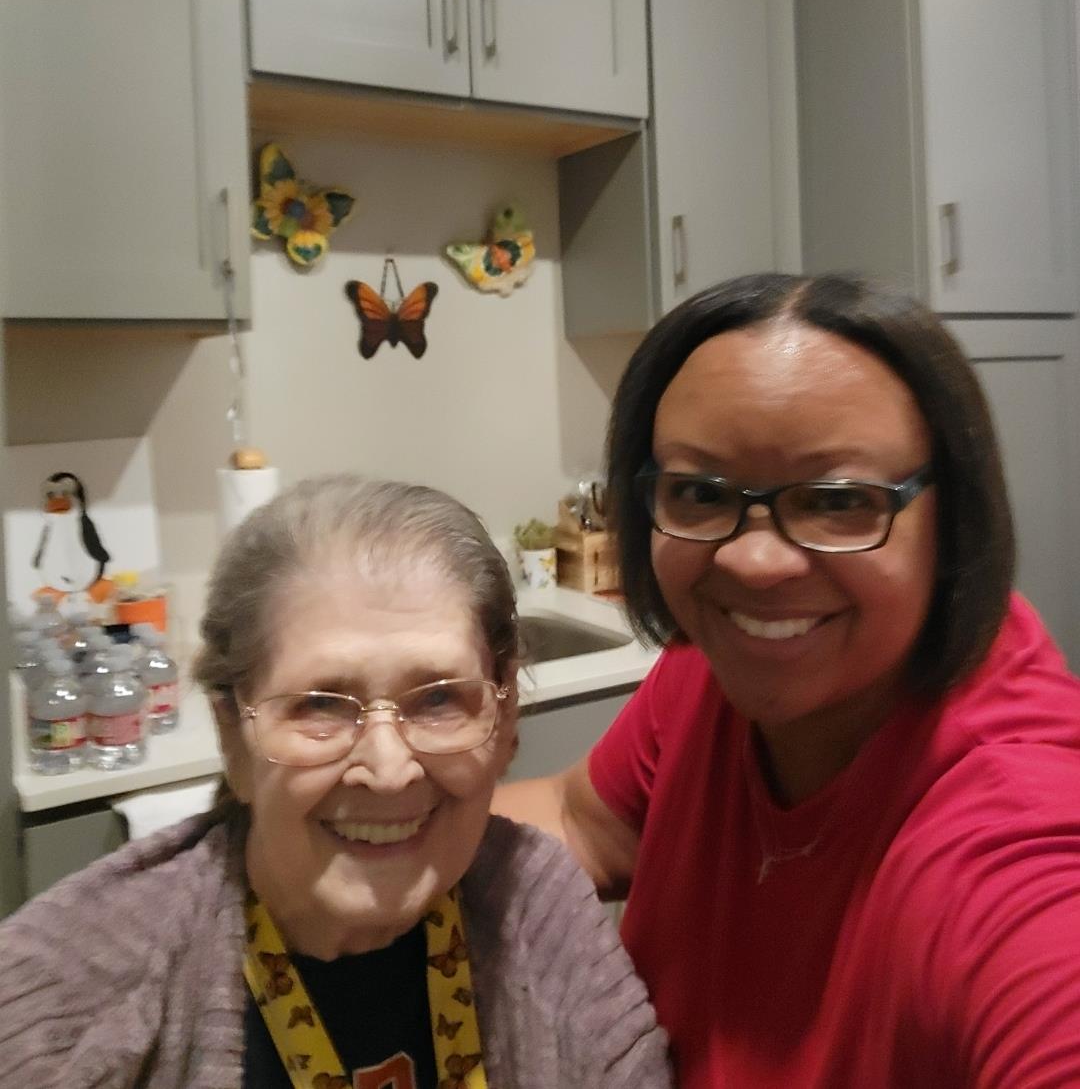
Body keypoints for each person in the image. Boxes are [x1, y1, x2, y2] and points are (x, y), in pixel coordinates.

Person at [495, 271, 1080, 1088]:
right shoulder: (715, 671)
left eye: (837, 501)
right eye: (700, 492)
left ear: (951, 519)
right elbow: (581, 821)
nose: (754, 563)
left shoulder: (1015, 836)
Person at [0, 475, 671, 1089]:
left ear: (505, 720)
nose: (388, 771)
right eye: (320, 704)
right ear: (233, 735)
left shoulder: (539, 911)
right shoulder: (71, 991)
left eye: (439, 698)